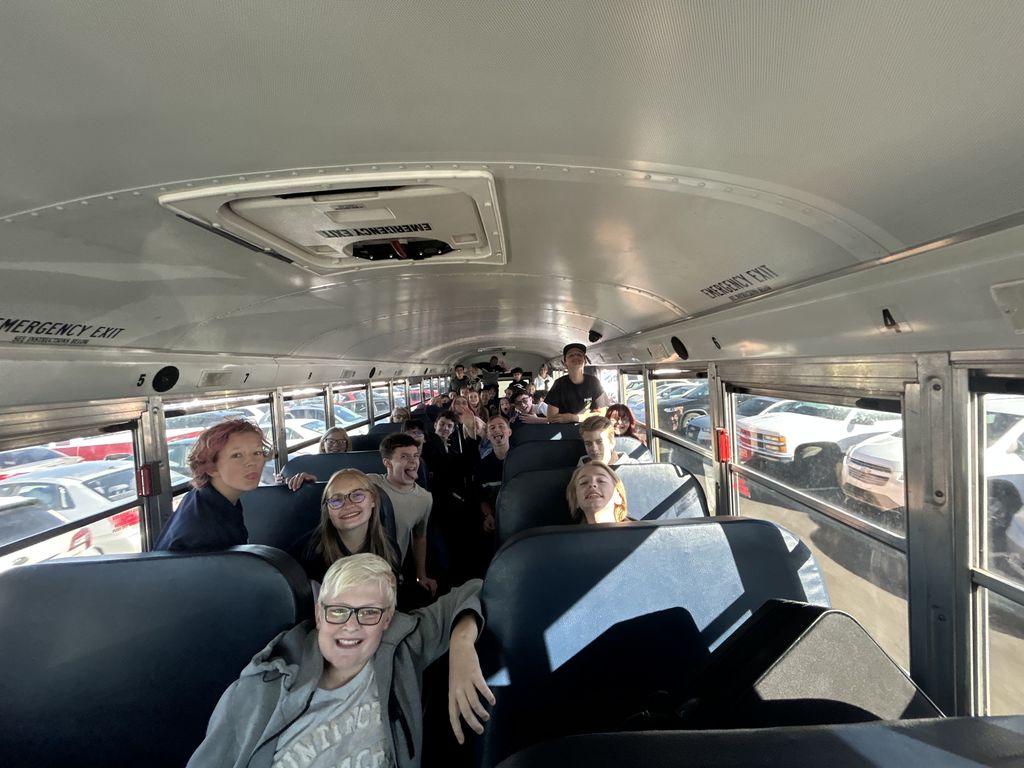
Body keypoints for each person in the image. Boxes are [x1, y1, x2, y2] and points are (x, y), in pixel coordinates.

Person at [186, 554, 494, 768]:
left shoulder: (402, 648)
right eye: (338, 610)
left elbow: (474, 588)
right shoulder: (258, 690)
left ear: (387, 619)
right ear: (319, 614)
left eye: (369, 612)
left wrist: (462, 645)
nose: (351, 625)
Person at [154, 419, 269, 552]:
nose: (251, 462)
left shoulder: (203, 497)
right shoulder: (207, 534)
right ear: (211, 468)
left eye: (257, 453)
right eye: (237, 455)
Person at [289, 468, 402, 582]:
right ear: (327, 511)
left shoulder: (389, 549)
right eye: (336, 500)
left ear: (373, 500)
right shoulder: (309, 551)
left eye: (357, 495)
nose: (348, 505)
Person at [368, 433, 437, 596]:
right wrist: (306, 479)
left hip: (389, 574)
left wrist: (421, 575)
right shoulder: (369, 483)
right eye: (404, 457)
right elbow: (337, 484)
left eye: (415, 456)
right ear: (388, 463)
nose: (413, 462)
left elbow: (419, 537)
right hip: (359, 568)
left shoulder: (424, 498)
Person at [544, 343, 609, 423]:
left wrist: (574, 418)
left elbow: (602, 413)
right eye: (571, 355)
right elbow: (551, 417)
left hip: (588, 430)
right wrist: (588, 416)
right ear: (565, 364)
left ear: (585, 361)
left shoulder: (593, 382)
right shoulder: (559, 384)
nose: (575, 357)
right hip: (564, 430)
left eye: (579, 354)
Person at [280, 426, 352, 490]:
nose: (336, 444)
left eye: (341, 441)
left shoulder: (354, 463)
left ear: (347, 445)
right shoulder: (309, 464)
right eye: (331, 441)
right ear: (323, 445)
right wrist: (280, 483)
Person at [475, 415, 511, 540]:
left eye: (501, 426)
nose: (497, 430)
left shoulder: (522, 460)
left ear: (509, 432)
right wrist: (488, 515)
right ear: (488, 435)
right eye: (492, 428)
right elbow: (481, 497)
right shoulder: (482, 466)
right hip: (497, 518)